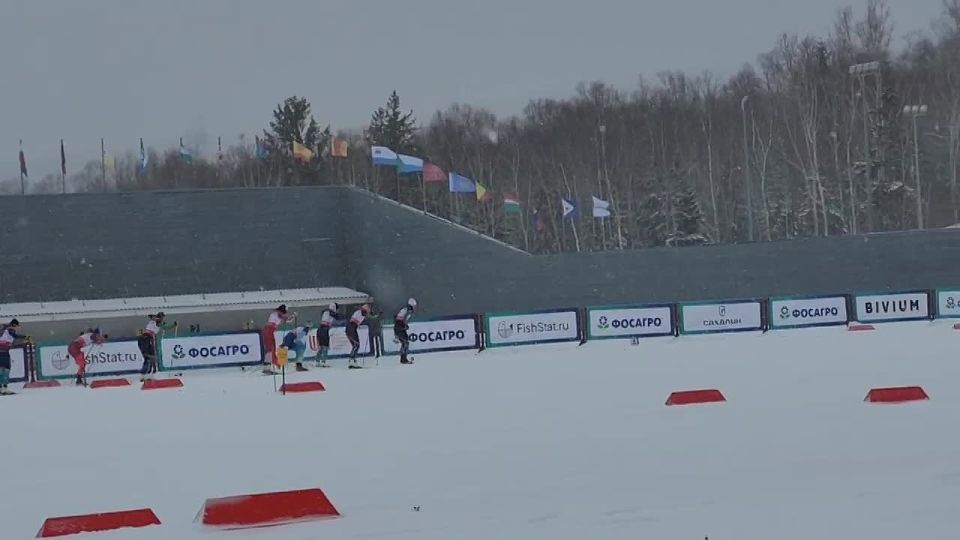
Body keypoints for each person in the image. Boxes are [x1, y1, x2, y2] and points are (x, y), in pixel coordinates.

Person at [139, 312, 176, 381]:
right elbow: (164, 326)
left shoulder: (154, 321)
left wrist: (172, 325)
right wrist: (173, 325)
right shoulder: (157, 321)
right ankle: (147, 375)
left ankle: (147, 375)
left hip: (145, 338)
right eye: (162, 317)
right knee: (150, 357)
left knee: (149, 357)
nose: (162, 319)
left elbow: (163, 326)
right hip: (147, 338)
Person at [261, 305, 290, 375]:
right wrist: (286, 317)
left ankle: (268, 366)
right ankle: (267, 367)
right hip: (268, 331)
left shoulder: (277, 315)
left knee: (271, 349)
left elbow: (285, 319)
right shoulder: (275, 314)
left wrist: (288, 318)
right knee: (270, 349)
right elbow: (282, 317)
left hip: (270, 331)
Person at [0, 319, 27, 395]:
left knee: (3, 368)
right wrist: (25, 337)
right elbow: (14, 336)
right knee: (5, 369)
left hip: (3, 351)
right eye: (17, 326)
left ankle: (1, 387)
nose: (17, 328)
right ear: (14, 325)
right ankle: (3, 387)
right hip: (3, 352)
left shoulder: (4, 329)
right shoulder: (10, 329)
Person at [316, 303, 342, 368]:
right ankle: (323, 362)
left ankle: (317, 361)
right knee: (326, 346)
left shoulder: (325, 311)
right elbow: (338, 318)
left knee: (321, 346)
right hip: (325, 330)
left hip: (319, 329)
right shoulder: (331, 312)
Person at [346, 304, 372, 369]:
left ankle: (352, 361)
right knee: (356, 345)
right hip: (351, 329)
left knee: (355, 345)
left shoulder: (358, 312)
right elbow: (364, 314)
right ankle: (352, 361)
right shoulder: (361, 313)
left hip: (350, 329)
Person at [394, 298, 417, 365]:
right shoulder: (406, 310)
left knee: (405, 343)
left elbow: (403, 320)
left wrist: (405, 325)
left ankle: (403, 358)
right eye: (414, 306)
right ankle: (403, 359)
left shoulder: (407, 311)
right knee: (405, 343)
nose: (415, 308)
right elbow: (399, 320)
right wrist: (403, 326)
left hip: (400, 328)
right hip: (399, 328)